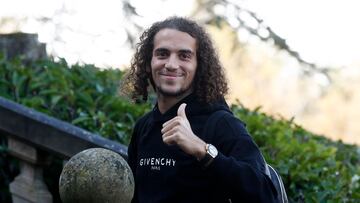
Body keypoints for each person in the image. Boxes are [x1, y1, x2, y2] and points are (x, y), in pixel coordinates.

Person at [124, 16, 277, 203]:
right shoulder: (143, 127)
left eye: (184, 56)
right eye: (162, 54)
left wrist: (203, 151)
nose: (171, 65)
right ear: (148, 64)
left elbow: (266, 195)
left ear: (199, 67)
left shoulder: (222, 124)